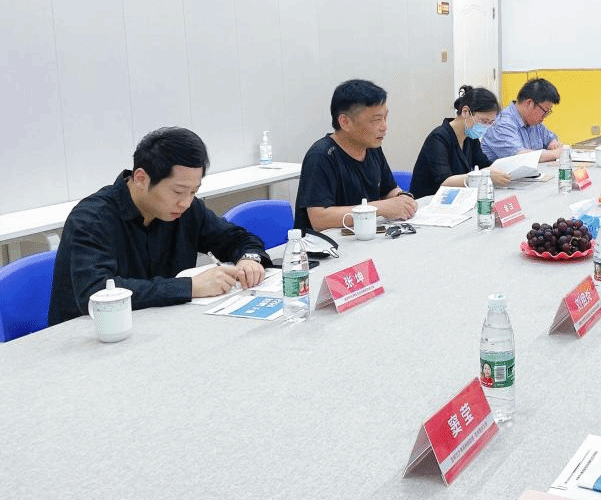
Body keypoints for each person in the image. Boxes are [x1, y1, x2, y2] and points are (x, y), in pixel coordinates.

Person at [49, 127, 270, 325]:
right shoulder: (92, 219)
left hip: (161, 327)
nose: (186, 202)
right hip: (92, 336)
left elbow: (238, 238)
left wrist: (249, 260)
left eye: (194, 191)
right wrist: (189, 287)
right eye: (178, 191)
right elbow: (96, 291)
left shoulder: (186, 209)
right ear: (141, 178)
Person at [294, 79, 417, 232]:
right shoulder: (321, 156)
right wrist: (379, 208)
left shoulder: (372, 148)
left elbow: (388, 190)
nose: (384, 126)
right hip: (325, 244)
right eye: (376, 120)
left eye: (385, 118)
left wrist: (403, 198)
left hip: (364, 236)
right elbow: (319, 219)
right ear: (345, 122)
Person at [409, 85, 512, 198]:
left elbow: (484, 165)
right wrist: (481, 176)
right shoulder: (438, 138)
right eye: (484, 121)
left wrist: (504, 171)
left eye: (490, 123)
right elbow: (445, 181)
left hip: (457, 199)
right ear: (465, 112)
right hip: (429, 201)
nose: (486, 127)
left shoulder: (470, 138)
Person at [481, 77, 563, 163]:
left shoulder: (534, 123)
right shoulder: (503, 123)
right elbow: (520, 157)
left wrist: (553, 143)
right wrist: (555, 154)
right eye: (545, 111)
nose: (544, 116)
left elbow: (550, 138)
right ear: (529, 103)